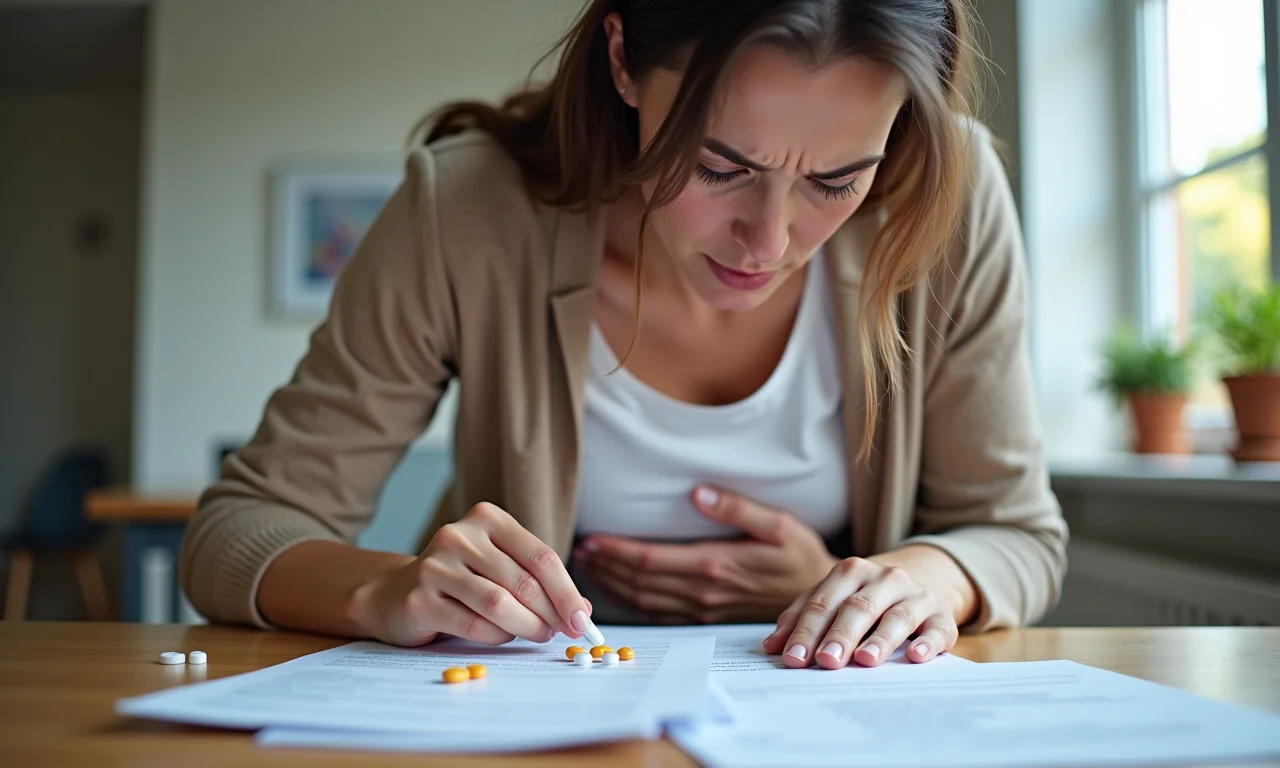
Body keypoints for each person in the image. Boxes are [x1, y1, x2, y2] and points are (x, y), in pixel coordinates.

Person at [181, 0, 1067, 671]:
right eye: (721, 166)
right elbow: (238, 531)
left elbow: (1016, 534)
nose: (769, 241)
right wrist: (381, 588)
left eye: (838, 181)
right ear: (622, 61)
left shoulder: (949, 198)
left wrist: (908, 578)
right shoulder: (465, 211)